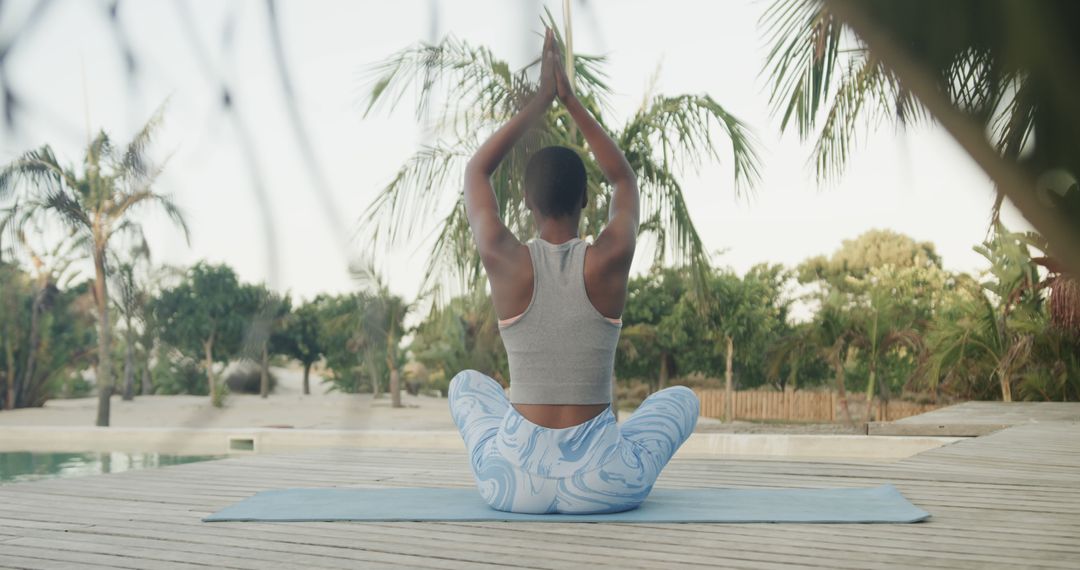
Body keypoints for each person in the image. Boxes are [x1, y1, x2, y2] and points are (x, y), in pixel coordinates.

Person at [448, 28, 699, 515]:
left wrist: (540, 102)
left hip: (512, 486)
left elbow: (476, 172)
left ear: (525, 201)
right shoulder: (609, 258)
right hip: (603, 485)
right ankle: (601, 442)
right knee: (682, 399)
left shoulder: (506, 259)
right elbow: (624, 178)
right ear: (587, 200)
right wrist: (572, 101)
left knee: (466, 384)